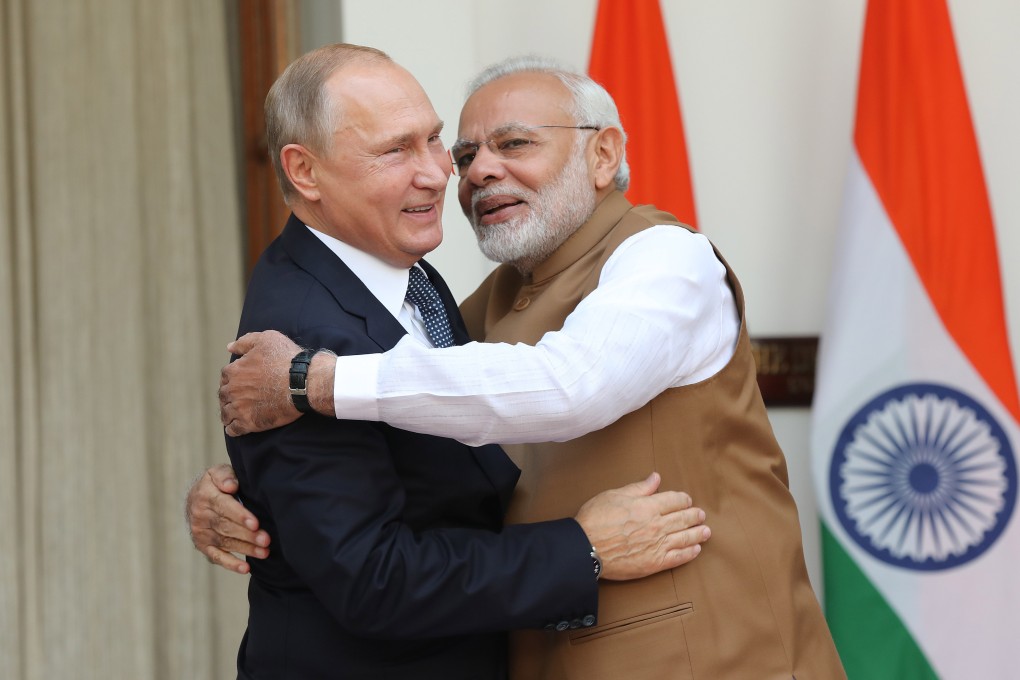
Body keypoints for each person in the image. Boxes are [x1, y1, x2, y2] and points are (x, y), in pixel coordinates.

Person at [195, 55, 846, 678]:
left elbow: (567, 385)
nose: (473, 173)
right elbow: (443, 406)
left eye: (515, 144)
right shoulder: (484, 299)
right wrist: (253, 488)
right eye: (468, 153)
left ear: (604, 153)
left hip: (711, 658)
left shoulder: (667, 261)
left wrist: (313, 381)